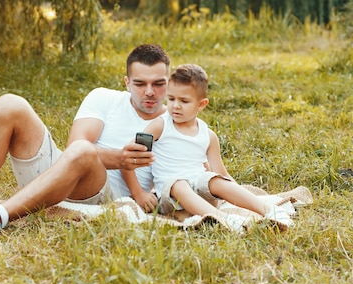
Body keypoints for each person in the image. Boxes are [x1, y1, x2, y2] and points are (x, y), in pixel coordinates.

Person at [0, 44, 169, 236]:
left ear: (168, 84)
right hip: (60, 172)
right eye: (140, 84)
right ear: (127, 83)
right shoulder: (104, 98)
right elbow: (75, 146)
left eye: (158, 84)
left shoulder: (173, 124)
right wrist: (119, 158)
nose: (149, 92)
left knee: (84, 151)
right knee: (9, 105)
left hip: (102, 196)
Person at [121, 64, 295, 231]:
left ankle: (267, 209)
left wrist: (236, 194)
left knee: (214, 179)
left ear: (201, 104)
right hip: (171, 195)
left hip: (201, 191)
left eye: (184, 101)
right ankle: (224, 219)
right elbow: (128, 157)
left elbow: (222, 174)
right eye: (171, 98)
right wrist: (139, 194)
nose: (175, 105)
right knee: (180, 184)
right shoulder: (159, 126)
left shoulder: (208, 135)